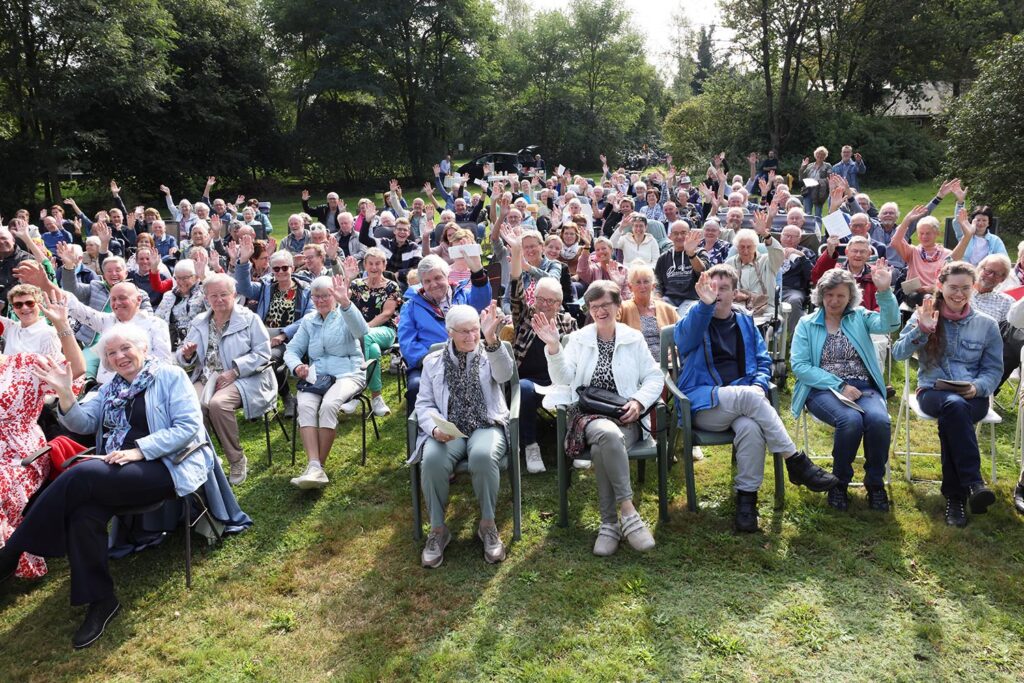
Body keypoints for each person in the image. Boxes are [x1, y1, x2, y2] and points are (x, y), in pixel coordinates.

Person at [0, 324, 238, 649]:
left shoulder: (168, 376)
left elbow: (187, 428)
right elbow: (83, 425)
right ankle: (101, 600)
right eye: (111, 353)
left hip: (164, 467)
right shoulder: (110, 387)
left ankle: (12, 552)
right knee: (84, 513)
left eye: (125, 348)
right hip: (118, 471)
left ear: (142, 348)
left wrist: (140, 450)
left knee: (81, 474)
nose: (119, 356)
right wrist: (67, 395)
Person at [675, 266, 839, 531]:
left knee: (751, 428)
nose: (717, 293)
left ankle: (746, 501)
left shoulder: (744, 320)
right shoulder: (695, 317)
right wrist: (703, 306)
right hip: (704, 404)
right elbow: (684, 341)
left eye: (723, 288)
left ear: (735, 293)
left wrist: (761, 384)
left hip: (744, 403)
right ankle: (796, 462)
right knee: (751, 398)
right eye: (712, 287)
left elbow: (763, 361)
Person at [533, 280, 662, 556]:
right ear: (589, 310)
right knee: (608, 435)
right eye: (594, 306)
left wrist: (639, 402)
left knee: (608, 443)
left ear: (617, 307)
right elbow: (564, 379)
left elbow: (654, 376)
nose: (600, 311)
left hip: (625, 414)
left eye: (605, 305)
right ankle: (628, 512)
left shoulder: (633, 337)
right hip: (588, 415)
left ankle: (609, 525)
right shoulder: (580, 339)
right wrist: (554, 347)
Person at [892, 262, 1003, 527]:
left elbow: (993, 370)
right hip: (932, 392)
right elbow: (898, 353)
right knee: (953, 406)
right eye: (953, 287)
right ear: (941, 286)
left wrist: (977, 387)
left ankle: (956, 497)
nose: (959, 294)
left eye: (966, 288)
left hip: (973, 396)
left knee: (955, 410)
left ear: (973, 288)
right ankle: (973, 483)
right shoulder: (926, 315)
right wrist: (922, 329)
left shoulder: (986, 325)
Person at [791, 265, 899, 510]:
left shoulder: (859, 316)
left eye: (840, 295)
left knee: (879, 421)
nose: (834, 300)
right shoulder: (807, 323)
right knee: (850, 420)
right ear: (820, 295)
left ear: (851, 297)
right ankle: (839, 483)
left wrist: (884, 292)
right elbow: (800, 366)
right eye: (829, 294)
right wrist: (839, 384)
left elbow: (890, 325)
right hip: (822, 389)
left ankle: (875, 483)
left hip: (864, 387)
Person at [412, 304, 512, 567]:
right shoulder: (433, 362)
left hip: (486, 424)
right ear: (450, 333)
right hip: (450, 429)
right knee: (432, 460)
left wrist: (491, 340)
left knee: (482, 456)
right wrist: (434, 429)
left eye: (474, 330)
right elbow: (423, 404)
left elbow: (505, 374)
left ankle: (488, 525)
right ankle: (438, 530)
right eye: (464, 332)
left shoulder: (489, 351)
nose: (471, 337)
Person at [0, 291, 85, 580]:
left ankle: (11, 556)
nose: (24, 308)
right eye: (18, 305)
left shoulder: (22, 364)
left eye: (28, 304)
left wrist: (63, 326)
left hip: (21, 452)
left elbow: (75, 373)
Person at [176, 274, 276, 486]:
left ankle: (237, 459)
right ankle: (204, 456)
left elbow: (263, 354)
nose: (219, 299)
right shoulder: (199, 322)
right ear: (206, 298)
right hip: (207, 377)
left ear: (234, 295)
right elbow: (184, 356)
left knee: (218, 405)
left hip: (245, 377)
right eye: (213, 295)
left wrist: (235, 371)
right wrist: (187, 355)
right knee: (189, 406)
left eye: (224, 294)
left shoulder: (249, 319)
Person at [503, 228, 578, 474]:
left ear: (559, 303)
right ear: (534, 299)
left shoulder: (568, 322)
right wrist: (516, 251)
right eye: (541, 300)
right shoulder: (526, 317)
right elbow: (515, 288)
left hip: (561, 379)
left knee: (581, 385)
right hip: (531, 380)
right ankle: (531, 444)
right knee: (522, 388)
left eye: (552, 301)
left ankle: (576, 440)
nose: (545, 305)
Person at [284, 275, 369, 489]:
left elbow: (362, 331)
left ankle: (317, 467)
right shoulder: (309, 320)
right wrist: (297, 366)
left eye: (326, 296)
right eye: (316, 297)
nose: (321, 301)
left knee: (329, 405)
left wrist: (346, 303)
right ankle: (314, 465)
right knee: (304, 405)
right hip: (318, 377)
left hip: (348, 374)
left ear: (334, 295)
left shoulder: (345, 314)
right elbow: (292, 350)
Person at [398, 254, 492, 409]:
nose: (433, 284)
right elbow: (407, 342)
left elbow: (482, 302)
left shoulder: (463, 295)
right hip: (429, 363)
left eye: (437, 278)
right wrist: (433, 360)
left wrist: (477, 272)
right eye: (427, 281)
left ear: (447, 276)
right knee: (415, 386)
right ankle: (421, 430)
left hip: (469, 357)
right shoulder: (410, 306)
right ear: (421, 283)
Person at [234, 240, 312, 418]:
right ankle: (256, 399)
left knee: (269, 359)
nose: (281, 272)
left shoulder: (305, 289)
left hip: (292, 338)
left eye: (285, 268)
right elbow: (243, 287)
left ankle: (286, 397)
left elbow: (309, 317)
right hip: (263, 334)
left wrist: (284, 334)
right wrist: (244, 261)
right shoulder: (266, 286)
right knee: (241, 357)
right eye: (276, 269)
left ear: (292, 268)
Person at [341, 248, 401, 417]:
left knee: (365, 337)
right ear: (365, 265)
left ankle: (355, 392)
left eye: (378, 263)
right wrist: (348, 278)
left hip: (385, 331)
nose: (374, 267)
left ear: (384, 265)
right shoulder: (357, 284)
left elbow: (387, 313)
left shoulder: (391, 286)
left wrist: (363, 329)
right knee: (372, 350)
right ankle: (376, 398)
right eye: (370, 263)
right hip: (361, 335)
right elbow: (342, 300)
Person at [890, 205, 970, 304]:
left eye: (928, 233)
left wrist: (968, 235)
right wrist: (907, 220)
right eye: (921, 233)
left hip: (938, 295)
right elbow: (895, 241)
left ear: (937, 233)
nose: (924, 236)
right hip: (914, 297)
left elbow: (956, 258)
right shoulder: (913, 252)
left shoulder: (946, 253)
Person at [725, 215, 784, 318]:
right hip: (737, 309)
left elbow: (778, 253)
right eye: (742, 247)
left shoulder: (768, 261)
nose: (746, 251)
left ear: (756, 247)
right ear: (736, 247)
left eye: (749, 247)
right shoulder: (729, 264)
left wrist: (765, 234)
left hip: (766, 309)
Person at [620, 262, 679, 361]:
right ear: (630, 287)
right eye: (638, 282)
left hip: (665, 365)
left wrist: (676, 349)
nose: (642, 286)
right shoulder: (623, 308)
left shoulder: (667, 309)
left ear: (653, 286)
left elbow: (684, 333)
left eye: (646, 281)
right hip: (635, 365)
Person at [654, 219, 709, 315]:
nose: (679, 236)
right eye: (676, 233)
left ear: (689, 234)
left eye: (683, 233)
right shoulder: (663, 257)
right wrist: (657, 299)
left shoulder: (700, 253)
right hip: (669, 298)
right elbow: (658, 283)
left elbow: (703, 272)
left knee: (683, 317)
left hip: (692, 299)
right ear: (670, 236)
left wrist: (691, 253)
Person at [155, 260, 207, 349]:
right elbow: (157, 321)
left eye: (185, 278)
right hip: (172, 345)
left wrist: (204, 279)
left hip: (198, 345)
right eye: (178, 278)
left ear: (196, 277)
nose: (181, 282)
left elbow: (214, 308)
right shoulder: (169, 296)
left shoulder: (204, 294)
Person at [1, 284, 62, 357]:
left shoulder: (49, 334)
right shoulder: (11, 327)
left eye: (30, 303)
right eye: (18, 304)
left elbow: (52, 366)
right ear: (13, 308)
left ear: (40, 304)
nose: (24, 308)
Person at [799, 147, 832, 217]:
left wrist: (818, 181)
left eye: (822, 155)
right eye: (818, 154)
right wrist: (802, 168)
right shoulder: (810, 165)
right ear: (815, 155)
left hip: (820, 191)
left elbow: (830, 178)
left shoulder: (827, 166)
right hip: (807, 190)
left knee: (818, 213)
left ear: (825, 156)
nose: (819, 156)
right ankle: (808, 227)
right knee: (807, 213)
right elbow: (801, 178)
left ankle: (818, 228)